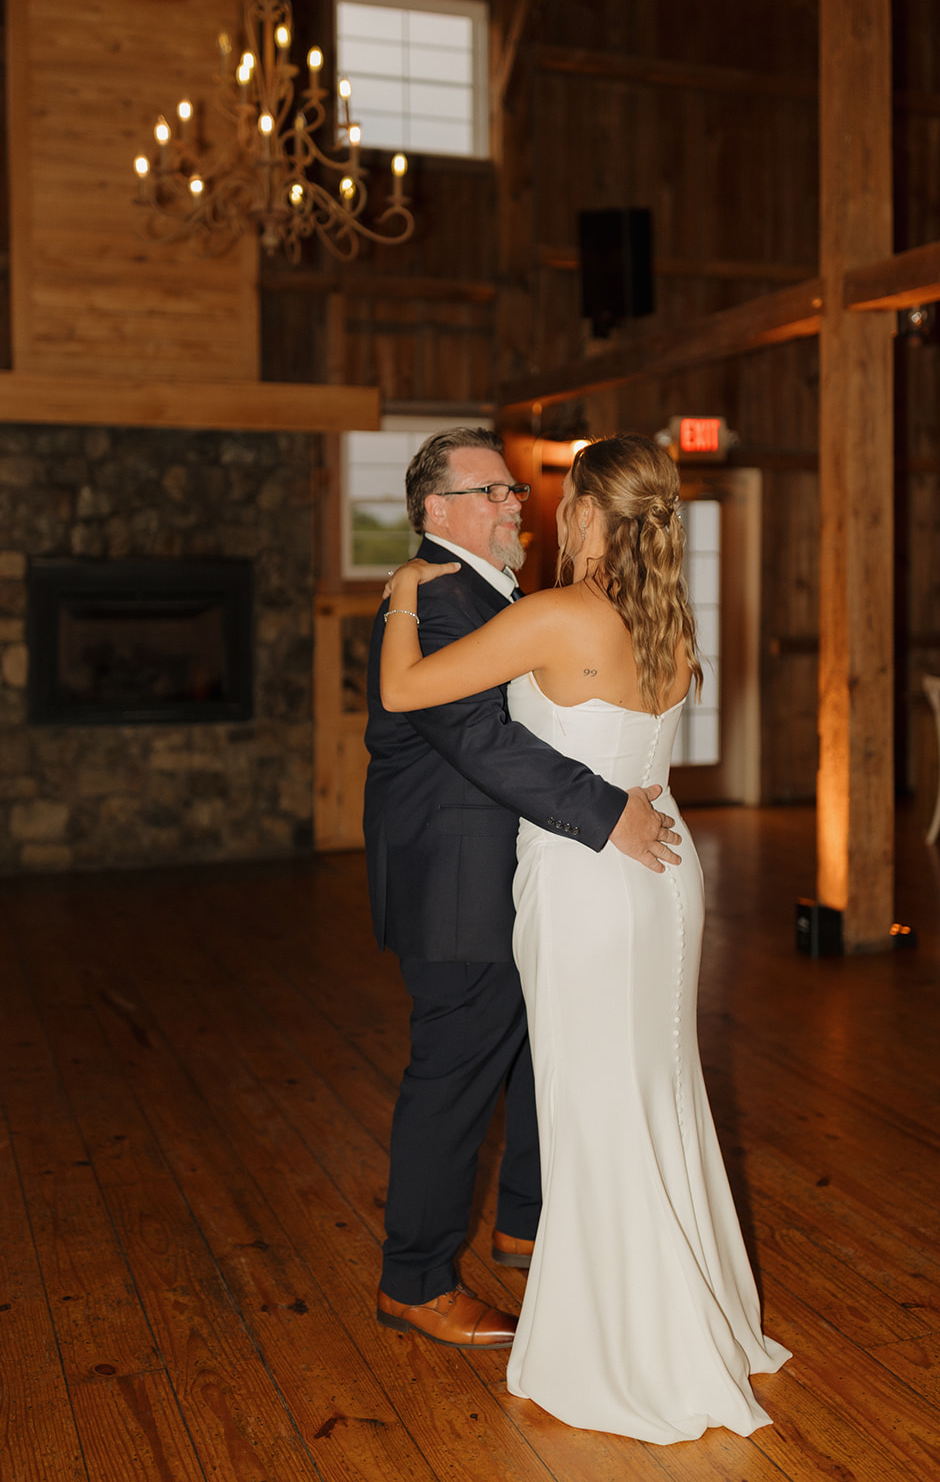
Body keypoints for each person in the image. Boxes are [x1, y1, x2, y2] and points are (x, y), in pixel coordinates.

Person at [379, 432, 790, 1444]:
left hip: (585, 882)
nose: (536, 509)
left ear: (590, 516)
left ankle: (617, 1338)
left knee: (589, 1099)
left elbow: (406, 694)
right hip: (661, 872)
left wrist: (395, 600)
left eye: (554, 498)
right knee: (653, 1087)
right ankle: (673, 1301)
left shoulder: (553, 612)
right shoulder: (669, 619)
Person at [364, 428, 681, 1352]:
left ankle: (526, 1223)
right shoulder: (434, 595)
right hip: (456, 880)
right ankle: (414, 1281)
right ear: (436, 512)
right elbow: (477, 738)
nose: (516, 502)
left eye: (515, 491)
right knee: (455, 1077)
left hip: (527, 871)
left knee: (536, 1056)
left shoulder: (507, 595)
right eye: (493, 491)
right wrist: (605, 810)